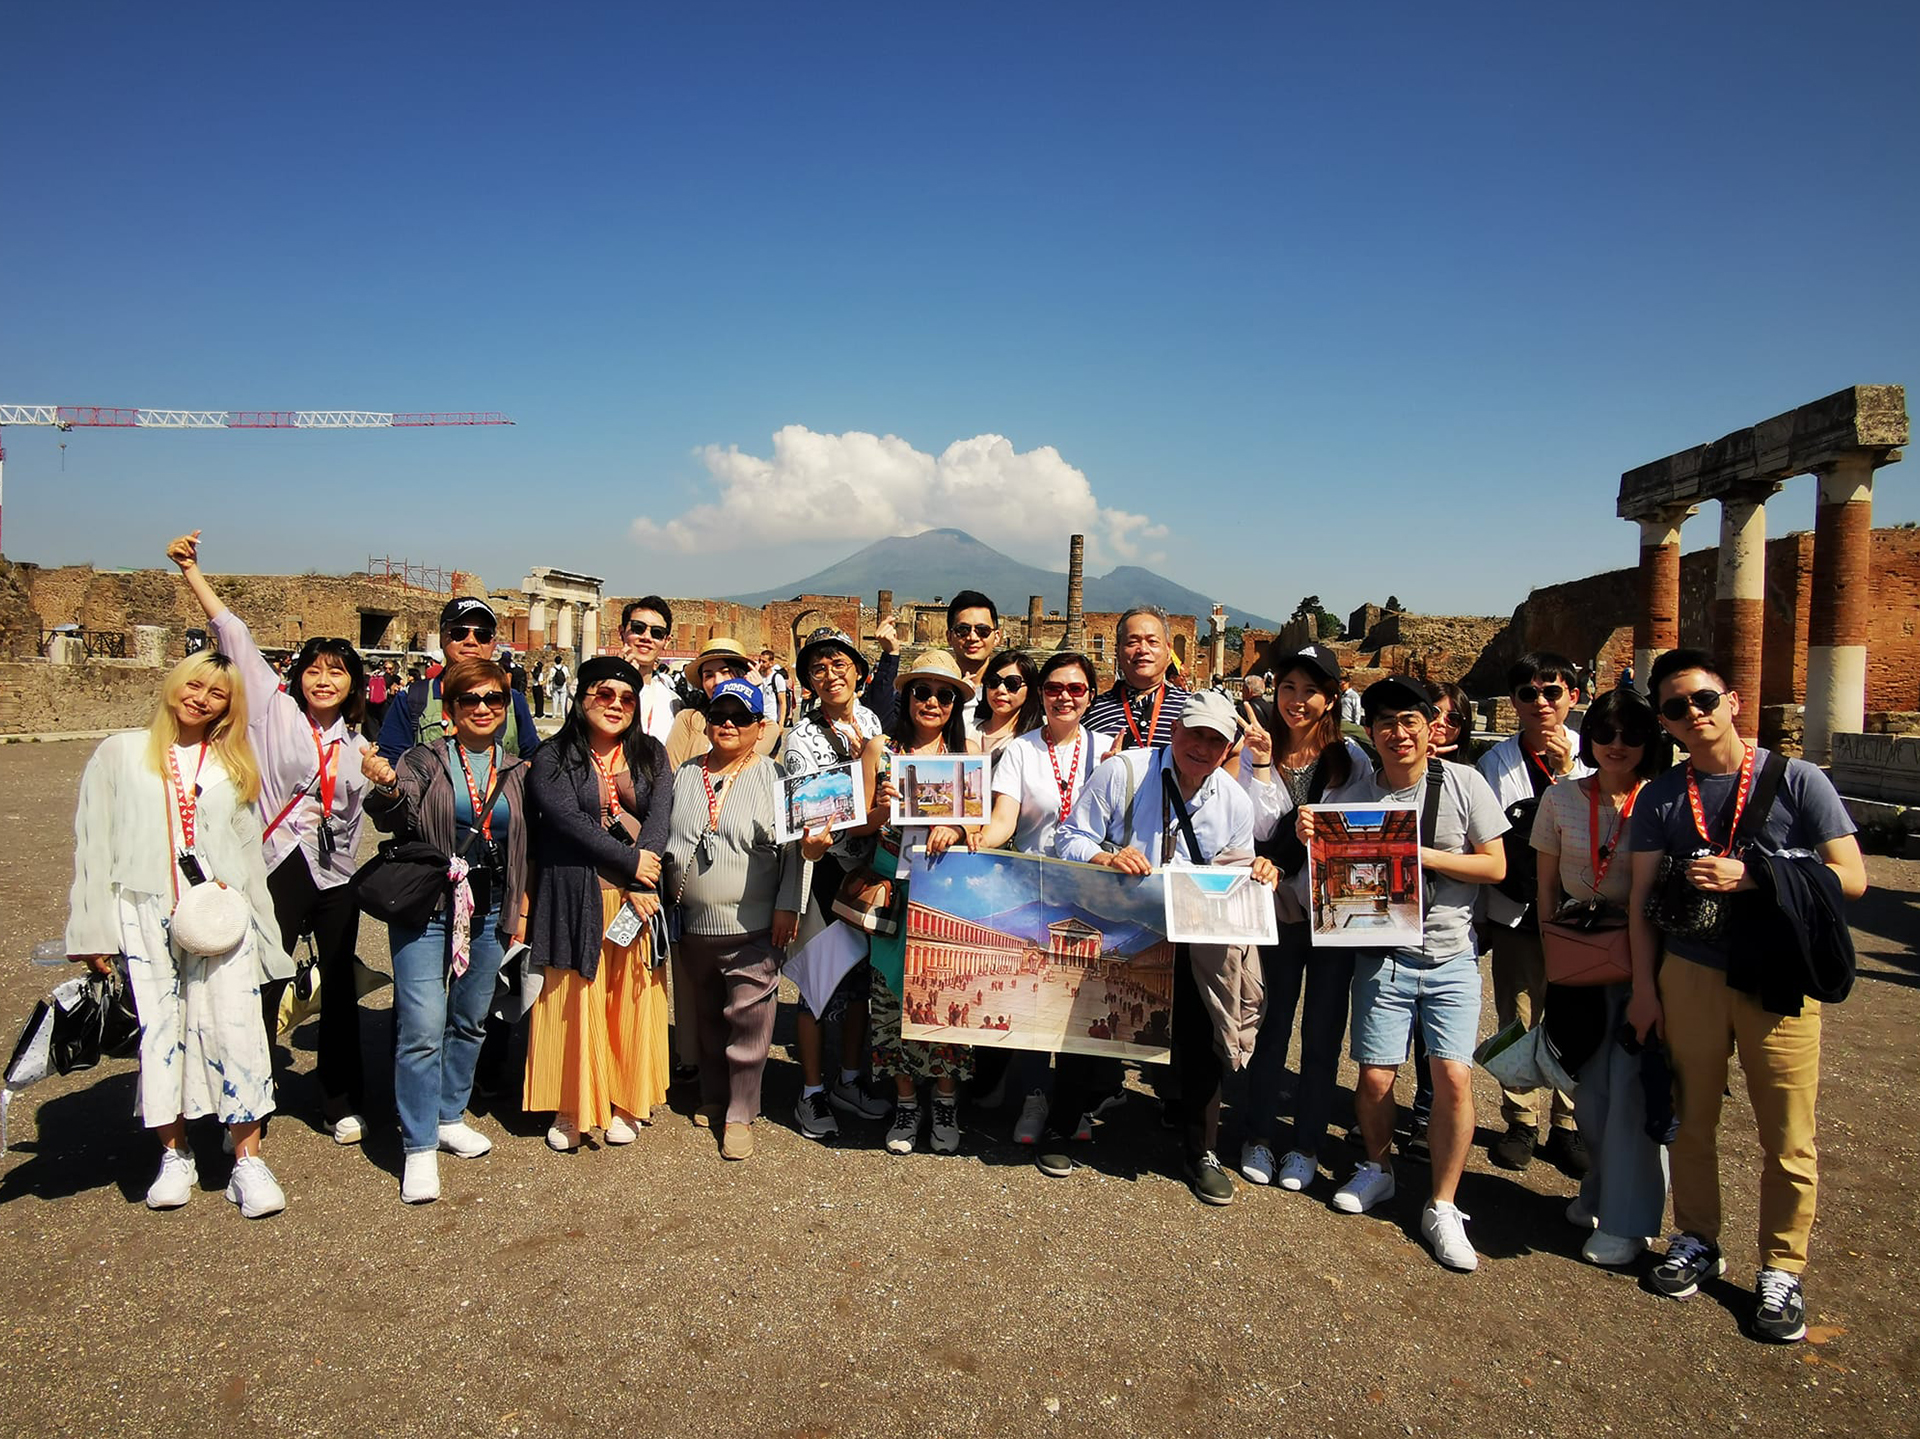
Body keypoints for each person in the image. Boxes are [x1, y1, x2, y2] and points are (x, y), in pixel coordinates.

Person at [1626, 648, 1866, 1344]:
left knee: (1787, 1133)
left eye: (1702, 699)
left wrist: (1755, 874)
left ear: (1732, 698)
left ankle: (1783, 1266)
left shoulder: (1798, 780)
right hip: (1689, 973)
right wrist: (1645, 989)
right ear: (1666, 723)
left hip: (1776, 975)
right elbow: (1642, 899)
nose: (1692, 715)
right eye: (1675, 708)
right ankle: (1697, 1235)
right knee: (1692, 1121)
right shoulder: (1664, 795)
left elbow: (1851, 877)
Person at [66, 651, 292, 1218]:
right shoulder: (120, 754)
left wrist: (266, 933)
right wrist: (92, 928)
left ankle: (247, 1159)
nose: (202, 698)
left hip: (219, 912)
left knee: (237, 1028)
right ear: (175, 685)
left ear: (228, 706)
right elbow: (92, 846)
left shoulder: (232, 763)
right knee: (161, 1032)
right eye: (195, 685)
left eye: (217, 694)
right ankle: (175, 1153)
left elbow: (248, 855)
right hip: (143, 907)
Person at [169, 529, 376, 1145]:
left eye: (335, 673)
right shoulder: (271, 710)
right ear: (298, 676)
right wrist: (191, 571)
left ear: (351, 684)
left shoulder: (360, 744)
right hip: (276, 863)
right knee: (262, 980)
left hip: (336, 871)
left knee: (341, 987)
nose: (323, 681)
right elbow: (233, 633)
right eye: (314, 670)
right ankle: (246, 1095)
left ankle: (337, 1099)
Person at [1310, 677, 1507, 1271]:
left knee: (1452, 1078)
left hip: (1450, 955)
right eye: (1385, 724)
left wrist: (1420, 855)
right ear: (1370, 732)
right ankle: (1379, 1166)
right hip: (1383, 955)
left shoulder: (1464, 783)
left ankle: (1443, 1203)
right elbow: (1334, 876)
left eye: (1409, 722)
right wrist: (1315, 839)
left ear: (1431, 728)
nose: (1398, 734)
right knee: (1373, 1079)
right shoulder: (1358, 795)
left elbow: (1495, 865)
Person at [1055, 691, 1280, 1205]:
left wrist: (1258, 869)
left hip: (1190, 933)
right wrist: (1106, 857)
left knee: (1202, 1037)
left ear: (1229, 749)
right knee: (1091, 1021)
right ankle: (1062, 1125)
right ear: (1174, 730)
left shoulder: (1234, 800)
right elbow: (1068, 838)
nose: (1201, 746)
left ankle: (1201, 1150)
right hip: (1121, 922)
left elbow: (1236, 865)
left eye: (1215, 739)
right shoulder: (1124, 773)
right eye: (1194, 732)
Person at [360, 658, 532, 1204]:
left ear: (505, 710)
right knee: (421, 1024)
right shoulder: (423, 759)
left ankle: (448, 1114)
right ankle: (417, 1147)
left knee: (471, 1018)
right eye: (470, 700)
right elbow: (389, 811)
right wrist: (386, 787)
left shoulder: (519, 769)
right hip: (429, 907)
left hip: (489, 909)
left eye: (494, 700)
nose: (483, 708)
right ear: (451, 711)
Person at [1533, 685, 1672, 1267]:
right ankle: (1598, 1190)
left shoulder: (1661, 801)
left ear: (1649, 742)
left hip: (1647, 961)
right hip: (1579, 959)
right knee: (1589, 1095)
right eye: (1606, 733)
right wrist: (1552, 954)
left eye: (1631, 735)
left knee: (1633, 1095)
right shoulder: (1562, 798)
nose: (1617, 745)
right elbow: (1544, 887)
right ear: (1589, 737)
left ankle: (1627, 1222)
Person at [1236, 644, 1373, 1192]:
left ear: (1332, 697)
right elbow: (1253, 826)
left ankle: (1307, 1143)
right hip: (1274, 908)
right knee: (1270, 1023)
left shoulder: (1350, 761)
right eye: (1288, 687)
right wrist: (1265, 764)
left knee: (1321, 1032)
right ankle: (1258, 1135)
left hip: (1331, 913)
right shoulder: (1251, 751)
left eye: (1310, 690)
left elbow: (1359, 832)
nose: (1296, 700)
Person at [522, 658, 673, 1152]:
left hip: (635, 900)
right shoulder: (553, 755)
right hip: (574, 891)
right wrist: (632, 864)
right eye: (603, 694)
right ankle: (572, 1106)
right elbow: (566, 819)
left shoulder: (650, 753)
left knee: (628, 994)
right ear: (581, 696)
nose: (615, 705)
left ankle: (628, 1099)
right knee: (573, 996)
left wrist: (644, 875)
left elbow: (660, 815)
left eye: (626, 698)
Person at [960, 652, 1107, 1147]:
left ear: (1090, 694)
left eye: (1077, 689)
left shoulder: (1110, 752)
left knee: (1082, 1004)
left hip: (1090, 894)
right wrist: (972, 842)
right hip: (1034, 889)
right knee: (1036, 1001)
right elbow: (1004, 819)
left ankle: (1076, 1103)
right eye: (1054, 688)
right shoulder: (1022, 751)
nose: (1065, 697)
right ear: (1041, 694)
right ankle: (1033, 1098)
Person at [663, 679, 812, 1160]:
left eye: (740, 717)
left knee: (748, 1024)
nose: (728, 723)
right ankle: (713, 1093)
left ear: (760, 727)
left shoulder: (776, 779)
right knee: (707, 1018)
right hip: (692, 925)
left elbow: (798, 851)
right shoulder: (686, 773)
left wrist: (790, 903)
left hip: (752, 926)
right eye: (719, 714)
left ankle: (741, 1112)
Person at [1478, 652, 1591, 1174]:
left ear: (1573, 695)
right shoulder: (1495, 763)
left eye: (1552, 691)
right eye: (1528, 693)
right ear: (1515, 702)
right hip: (1517, 910)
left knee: (1574, 1016)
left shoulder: (1597, 756)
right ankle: (1520, 1119)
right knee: (1518, 1016)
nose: (1541, 702)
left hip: (1582, 913)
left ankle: (1567, 1123)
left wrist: (1568, 772)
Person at [781, 626, 896, 1139]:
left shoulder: (870, 719)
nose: (830, 675)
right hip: (830, 871)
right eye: (818, 668)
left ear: (857, 670)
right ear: (808, 680)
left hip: (868, 868)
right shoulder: (801, 739)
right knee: (818, 986)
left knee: (859, 988)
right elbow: (822, 814)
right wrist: (877, 815)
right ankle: (809, 1093)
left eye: (839, 664)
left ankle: (850, 1078)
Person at [869, 651, 980, 1154]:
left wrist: (955, 825)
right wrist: (880, 808)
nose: (932, 702)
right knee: (891, 1000)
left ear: (956, 703)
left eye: (944, 694)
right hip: (893, 889)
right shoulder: (880, 750)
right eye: (922, 692)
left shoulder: (968, 753)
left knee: (947, 999)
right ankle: (907, 1103)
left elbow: (980, 827)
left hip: (944, 894)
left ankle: (946, 1100)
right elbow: (860, 825)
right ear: (906, 696)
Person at [377, 597, 541, 763]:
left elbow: (533, 760)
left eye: (482, 635)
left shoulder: (514, 702)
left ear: (492, 643)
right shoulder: (412, 699)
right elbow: (391, 763)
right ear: (441, 638)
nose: (470, 641)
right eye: (459, 633)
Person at [664, 638, 783, 767]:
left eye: (725, 672)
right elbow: (673, 771)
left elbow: (741, 762)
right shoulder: (688, 719)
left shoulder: (767, 728)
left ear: (742, 675)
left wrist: (749, 692)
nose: (717, 681)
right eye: (708, 676)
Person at [1084, 606, 1188, 753]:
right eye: (1132, 642)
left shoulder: (1191, 707)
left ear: (1168, 651)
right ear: (1118, 651)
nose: (1143, 650)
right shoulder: (1092, 711)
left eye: (1152, 642)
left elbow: (1231, 750)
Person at [617, 596, 683, 745]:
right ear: (621, 632)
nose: (647, 637)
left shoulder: (673, 702)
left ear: (666, 641)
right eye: (638, 628)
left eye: (657, 632)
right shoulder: (594, 690)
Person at [970, 647, 1042, 759]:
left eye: (1012, 683)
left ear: (1030, 689)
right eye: (994, 681)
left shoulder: (1036, 741)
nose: (1001, 689)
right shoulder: (968, 729)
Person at [943, 589, 1003, 698]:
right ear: (949, 636)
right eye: (962, 630)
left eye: (983, 631)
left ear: (996, 637)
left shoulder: (1009, 693)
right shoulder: (934, 692)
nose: (972, 637)